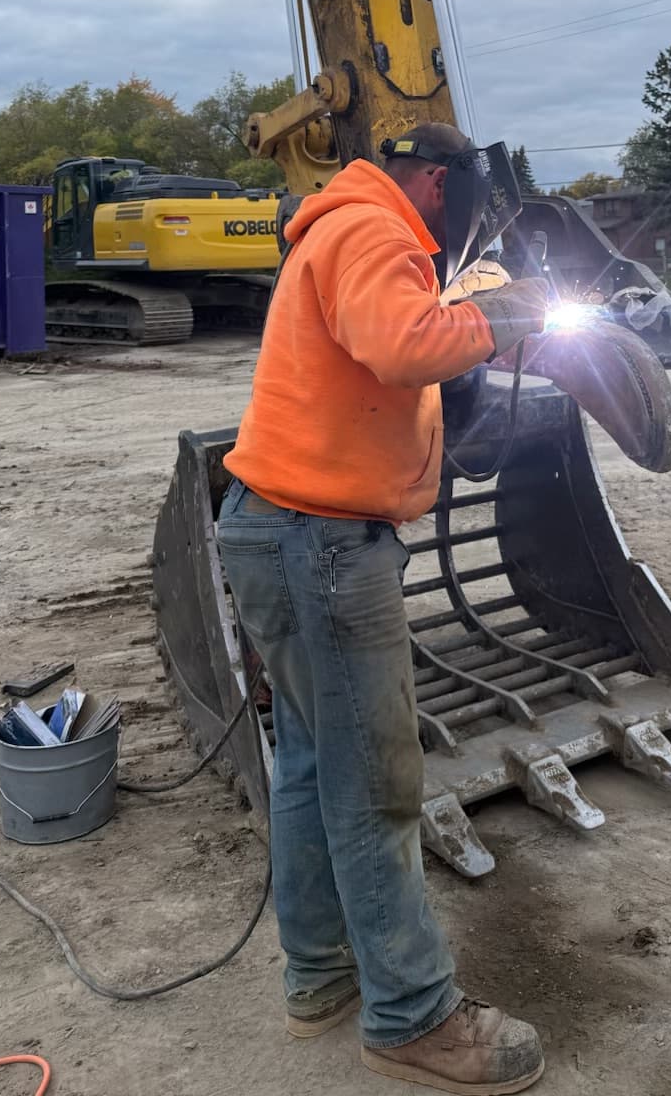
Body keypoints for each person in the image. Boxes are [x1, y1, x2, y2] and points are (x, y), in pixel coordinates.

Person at [217, 122, 548, 1094]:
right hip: (319, 541)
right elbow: (401, 344)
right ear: (436, 180)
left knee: (317, 763)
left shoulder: (342, 222)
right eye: (467, 202)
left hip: (280, 528)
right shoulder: (374, 225)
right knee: (375, 782)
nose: (467, 222)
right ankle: (411, 1015)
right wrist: (509, 313)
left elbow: (393, 351)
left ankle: (319, 975)